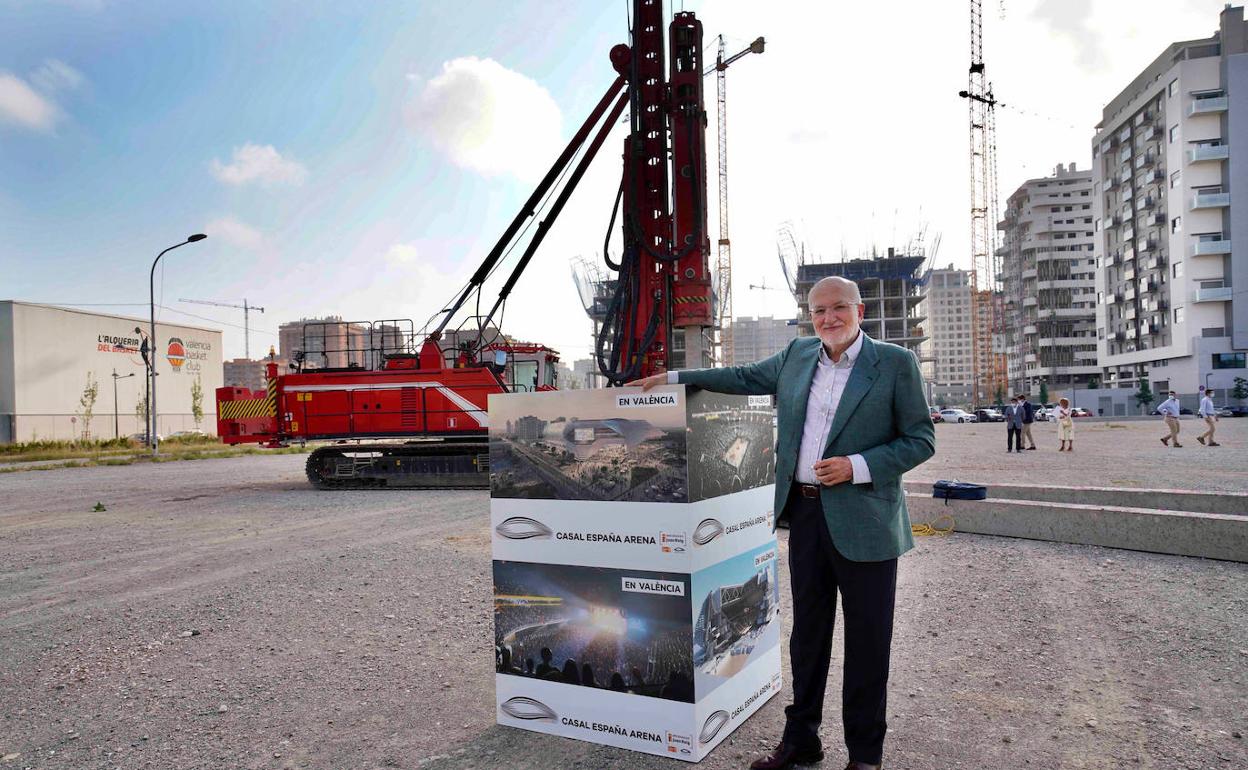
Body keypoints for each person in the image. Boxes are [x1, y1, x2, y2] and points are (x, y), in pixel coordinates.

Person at [628, 276, 935, 770]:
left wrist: (856, 465)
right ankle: (801, 741)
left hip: (868, 522)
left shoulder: (895, 364)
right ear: (809, 316)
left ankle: (865, 756)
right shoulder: (797, 355)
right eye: (819, 311)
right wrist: (673, 379)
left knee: (867, 643)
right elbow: (743, 376)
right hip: (807, 515)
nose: (829, 318)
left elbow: (921, 439)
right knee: (807, 637)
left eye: (838, 308)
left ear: (860, 311)